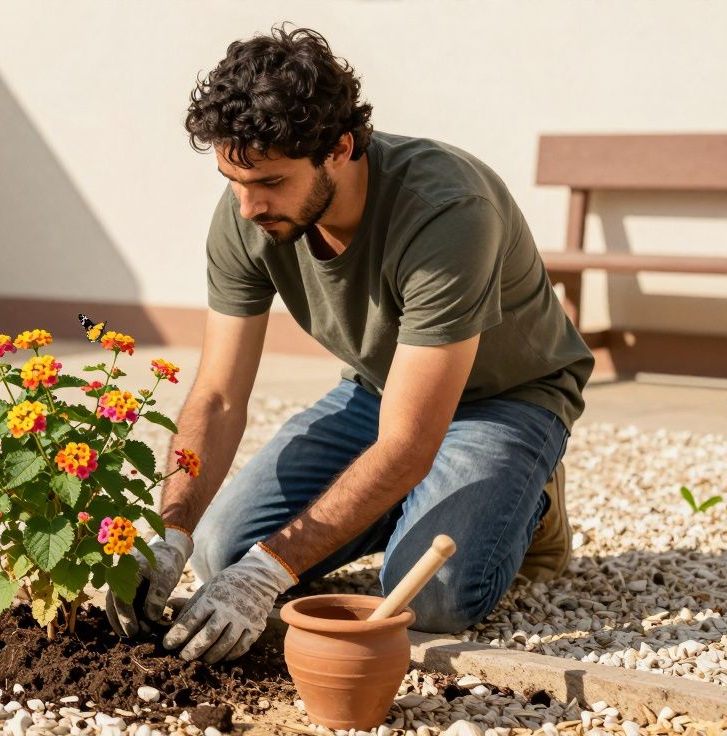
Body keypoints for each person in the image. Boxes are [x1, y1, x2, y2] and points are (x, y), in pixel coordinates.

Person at [104, 25, 594, 664]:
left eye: (272, 182)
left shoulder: (447, 210)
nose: (249, 206)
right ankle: (422, 501)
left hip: (505, 399)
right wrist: (170, 532)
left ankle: (529, 500)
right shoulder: (249, 211)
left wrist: (271, 570)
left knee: (432, 596)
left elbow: (408, 442)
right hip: (381, 391)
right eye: (233, 179)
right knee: (222, 548)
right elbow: (219, 396)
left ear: (339, 147)